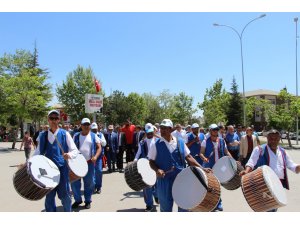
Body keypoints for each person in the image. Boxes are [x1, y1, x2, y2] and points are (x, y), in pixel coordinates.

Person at [148, 119, 210, 212]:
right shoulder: (155, 144)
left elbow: (189, 157)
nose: (162, 130)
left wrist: (202, 168)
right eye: (161, 128)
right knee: (165, 209)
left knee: (184, 206)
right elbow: (151, 161)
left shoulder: (180, 142)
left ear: (171, 129)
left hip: (181, 179)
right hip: (164, 181)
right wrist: (157, 170)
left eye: (165, 128)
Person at [240, 129, 300, 212]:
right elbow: (251, 162)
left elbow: (292, 166)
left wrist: (298, 167)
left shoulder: (283, 152)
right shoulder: (259, 149)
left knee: (273, 208)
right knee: (267, 208)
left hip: (278, 185)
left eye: (276, 139)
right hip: (264, 184)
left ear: (279, 139)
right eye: (271, 138)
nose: (273, 141)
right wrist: (246, 171)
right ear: (267, 138)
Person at [33, 110, 79, 212]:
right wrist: (28, 163)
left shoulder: (65, 134)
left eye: (56, 118)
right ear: (48, 120)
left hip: (62, 169)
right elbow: (37, 152)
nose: (54, 120)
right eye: (51, 118)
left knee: (65, 196)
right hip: (48, 171)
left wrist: (69, 155)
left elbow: (75, 150)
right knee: (49, 197)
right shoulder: (43, 135)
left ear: (59, 120)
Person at [200, 123, 233, 212]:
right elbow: (201, 153)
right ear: (210, 131)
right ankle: (211, 203)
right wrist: (204, 158)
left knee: (218, 185)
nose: (216, 131)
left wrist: (232, 159)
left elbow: (226, 152)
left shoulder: (222, 141)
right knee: (211, 186)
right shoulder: (205, 141)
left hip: (220, 167)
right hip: (209, 167)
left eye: (217, 130)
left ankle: (218, 203)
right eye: (214, 130)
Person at [71, 118, 102, 209]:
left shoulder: (93, 135)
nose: (86, 126)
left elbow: (99, 147)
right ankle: (78, 200)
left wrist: (96, 156)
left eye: (88, 124)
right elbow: (71, 148)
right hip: (77, 163)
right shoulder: (76, 136)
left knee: (89, 183)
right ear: (81, 125)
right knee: (74, 183)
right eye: (84, 124)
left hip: (89, 163)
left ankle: (88, 201)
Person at [134, 123, 157, 212]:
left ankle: (156, 196)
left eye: (151, 133)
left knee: (157, 186)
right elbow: (138, 152)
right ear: (145, 133)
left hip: (156, 166)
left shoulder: (157, 141)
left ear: (153, 132)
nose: (150, 134)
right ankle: (149, 204)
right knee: (147, 187)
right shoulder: (142, 142)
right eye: (148, 133)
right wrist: (135, 160)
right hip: (145, 166)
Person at [91, 122, 107, 194]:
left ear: (97, 128)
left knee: (99, 172)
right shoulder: (89, 135)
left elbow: (104, 143)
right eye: (93, 129)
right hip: (91, 157)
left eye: (95, 129)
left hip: (99, 157)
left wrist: (97, 138)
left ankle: (99, 187)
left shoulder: (100, 135)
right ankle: (93, 186)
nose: (94, 130)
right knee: (92, 173)